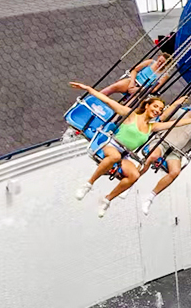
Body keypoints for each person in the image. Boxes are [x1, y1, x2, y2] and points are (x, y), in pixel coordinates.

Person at [68, 83, 175, 216]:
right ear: (147, 106)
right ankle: (88, 184)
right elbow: (108, 100)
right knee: (114, 157)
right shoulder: (131, 115)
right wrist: (88, 88)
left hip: (124, 154)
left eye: (160, 109)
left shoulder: (152, 126)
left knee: (135, 175)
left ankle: (107, 200)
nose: (158, 110)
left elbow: (174, 124)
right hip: (110, 145)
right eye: (155, 106)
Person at [100, 51, 170, 99]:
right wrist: (132, 82)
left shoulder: (164, 75)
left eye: (162, 63)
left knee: (129, 104)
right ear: (158, 58)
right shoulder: (150, 62)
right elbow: (135, 70)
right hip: (134, 81)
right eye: (159, 61)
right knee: (114, 86)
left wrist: (139, 89)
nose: (159, 63)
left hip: (142, 89)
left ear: (166, 65)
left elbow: (154, 89)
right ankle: (96, 97)